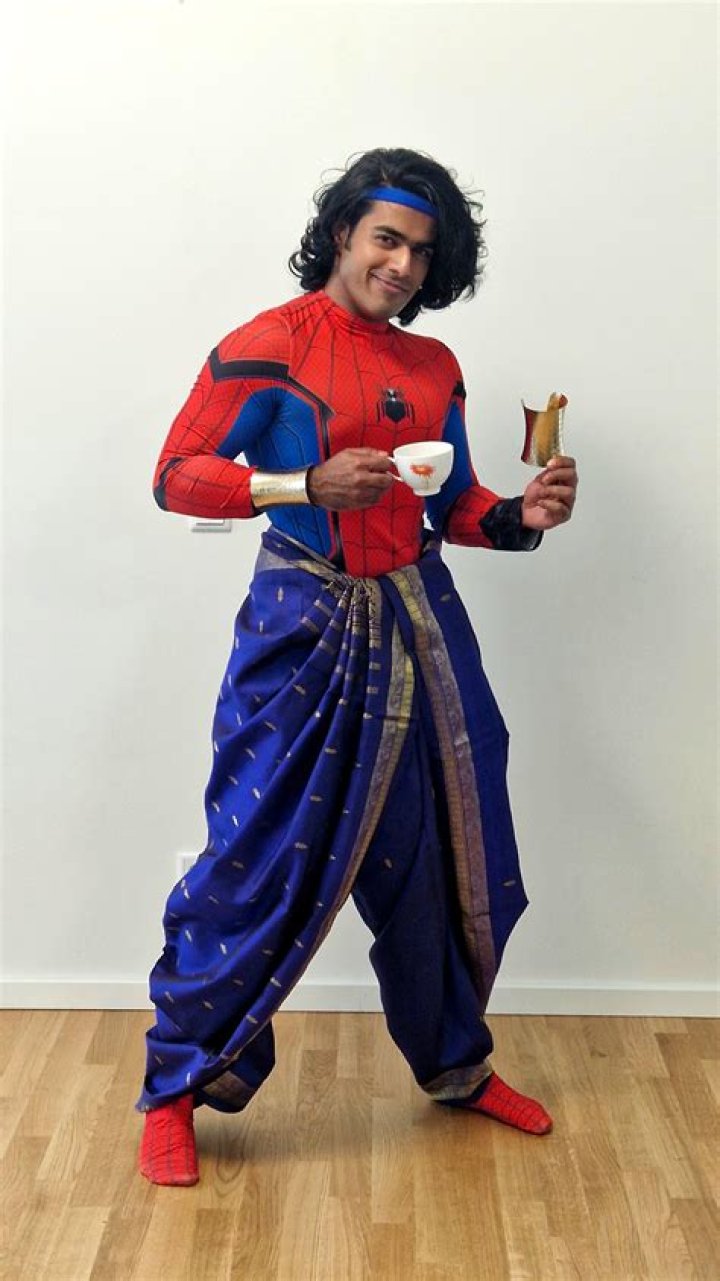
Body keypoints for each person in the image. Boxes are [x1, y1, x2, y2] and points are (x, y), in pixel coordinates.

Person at [136, 148, 578, 1186]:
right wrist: (299, 484)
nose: (402, 265)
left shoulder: (434, 367)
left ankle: (457, 1065)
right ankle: (176, 1088)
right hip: (302, 630)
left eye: (422, 250)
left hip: (424, 630)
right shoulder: (268, 344)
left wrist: (521, 514)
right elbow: (175, 477)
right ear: (341, 232)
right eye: (386, 238)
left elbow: (454, 506)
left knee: (437, 857)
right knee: (253, 861)